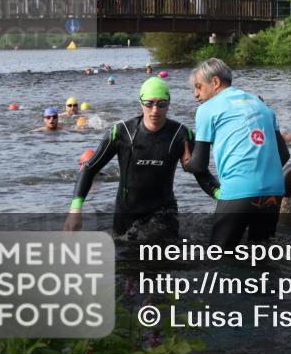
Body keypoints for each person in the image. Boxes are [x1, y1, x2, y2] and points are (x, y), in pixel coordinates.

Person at [63, 77, 218, 239]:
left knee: (157, 249)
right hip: (125, 213)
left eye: (161, 104)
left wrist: (223, 195)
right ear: (141, 103)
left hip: (164, 212)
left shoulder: (181, 134)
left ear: (169, 104)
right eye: (149, 103)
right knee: (126, 257)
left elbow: (201, 173)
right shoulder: (121, 133)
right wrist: (75, 210)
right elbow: (89, 169)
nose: (155, 110)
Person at [184, 58, 291, 249]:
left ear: (215, 82)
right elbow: (283, 155)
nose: (196, 94)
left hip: (239, 191)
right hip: (273, 191)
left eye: (198, 87)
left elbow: (199, 165)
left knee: (218, 258)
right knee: (262, 255)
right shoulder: (261, 105)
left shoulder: (207, 109)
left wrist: (186, 161)